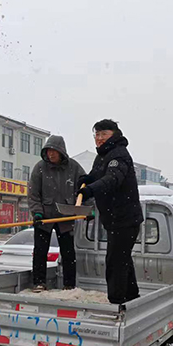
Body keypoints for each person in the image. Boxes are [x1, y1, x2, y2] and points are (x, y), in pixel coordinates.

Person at [77, 119, 144, 304]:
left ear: (113, 134)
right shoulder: (103, 156)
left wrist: (91, 190)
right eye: (96, 135)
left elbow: (112, 179)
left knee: (115, 261)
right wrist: (86, 180)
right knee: (122, 259)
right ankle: (131, 297)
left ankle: (116, 303)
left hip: (125, 219)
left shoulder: (119, 155)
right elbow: (97, 175)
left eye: (103, 134)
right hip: (114, 219)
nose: (99, 138)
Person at [28, 135, 87, 292]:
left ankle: (69, 285)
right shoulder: (39, 168)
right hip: (44, 217)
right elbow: (33, 194)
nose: (51, 154)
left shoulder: (74, 168)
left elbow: (86, 189)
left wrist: (87, 209)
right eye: (48, 151)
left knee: (68, 253)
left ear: (61, 151)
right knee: (40, 251)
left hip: (66, 217)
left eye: (54, 151)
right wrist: (37, 213)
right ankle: (39, 282)